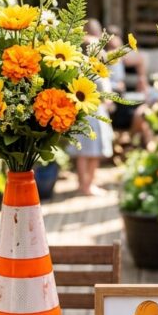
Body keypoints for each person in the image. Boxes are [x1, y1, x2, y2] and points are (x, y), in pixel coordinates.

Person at [67, 19, 113, 196]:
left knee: (83, 152)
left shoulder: (78, 66)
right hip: (94, 113)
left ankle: (82, 184)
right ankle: (88, 185)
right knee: (93, 152)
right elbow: (103, 92)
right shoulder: (95, 69)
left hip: (80, 112)